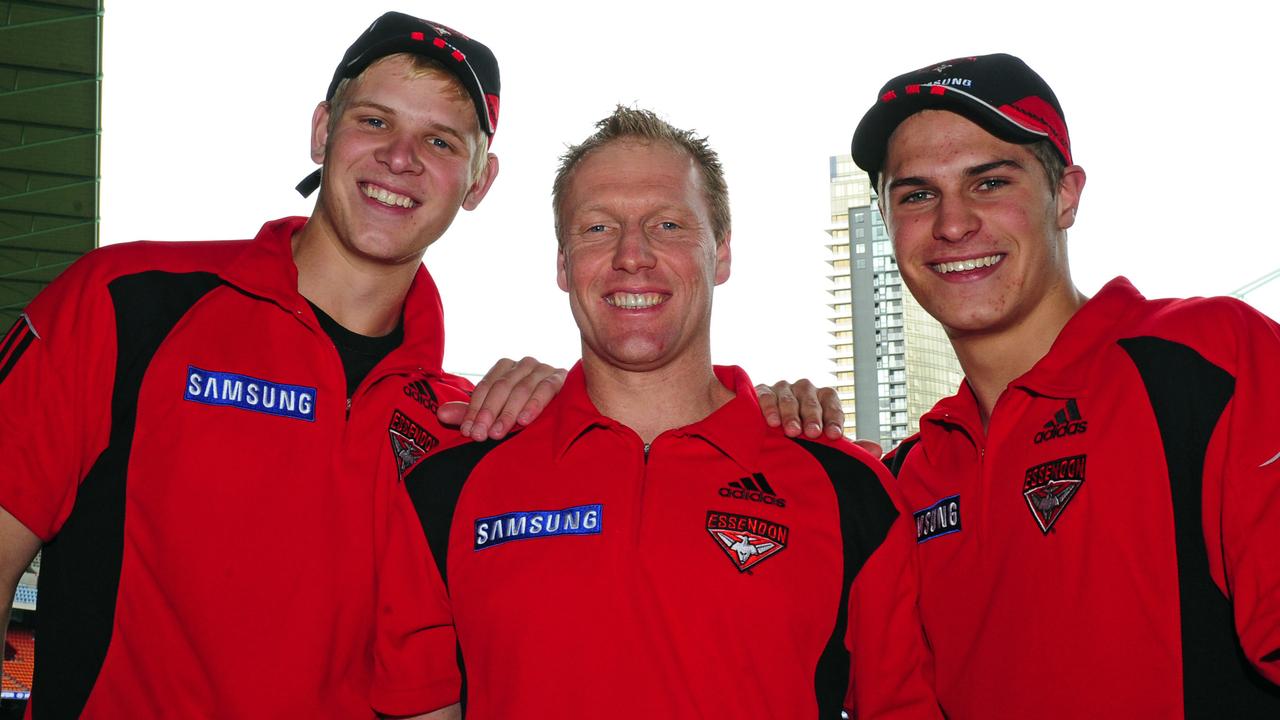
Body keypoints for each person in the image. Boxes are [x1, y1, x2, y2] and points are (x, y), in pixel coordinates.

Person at [0, 12, 571, 717]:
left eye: (441, 139)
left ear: (479, 181)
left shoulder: (458, 426)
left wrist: (585, 403)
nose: (401, 157)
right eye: (374, 121)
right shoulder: (124, 304)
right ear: (322, 131)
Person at [395, 106, 941, 719]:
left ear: (722, 253)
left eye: (669, 226)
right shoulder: (449, 487)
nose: (633, 255)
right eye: (598, 228)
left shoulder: (850, 492)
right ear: (563, 264)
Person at [843, 53, 1280, 718]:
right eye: (917, 195)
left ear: (1067, 194)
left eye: (989, 183)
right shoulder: (908, 480)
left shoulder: (1211, 359)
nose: (953, 224)